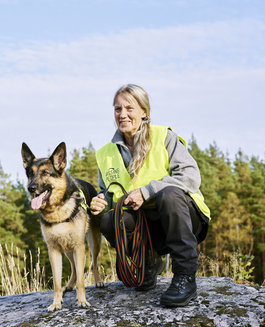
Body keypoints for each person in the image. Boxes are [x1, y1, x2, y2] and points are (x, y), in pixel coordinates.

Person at [90, 84, 210, 307]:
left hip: (183, 219)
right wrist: (102, 200)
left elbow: (191, 177)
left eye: (129, 108)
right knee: (109, 219)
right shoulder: (105, 153)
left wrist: (147, 192)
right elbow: (109, 191)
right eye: (117, 109)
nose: (122, 114)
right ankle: (146, 266)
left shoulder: (164, 136)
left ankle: (185, 277)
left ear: (144, 111)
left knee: (169, 195)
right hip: (146, 227)